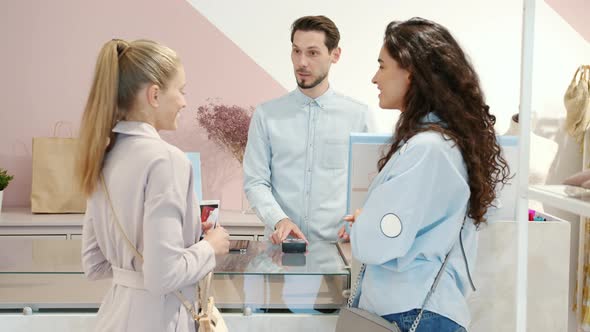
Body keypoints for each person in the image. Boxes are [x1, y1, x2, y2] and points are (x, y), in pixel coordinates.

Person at [345, 18, 510, 331]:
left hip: (410, 313)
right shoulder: (444, 144)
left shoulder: (427, 149)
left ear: (411, 72)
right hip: (421, 310)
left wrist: (364, 222)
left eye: (382, 66)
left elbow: (377, 244)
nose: (374, 78)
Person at [76, 39, 229, 332]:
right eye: (181, 91)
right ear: (155, 95)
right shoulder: (167, 160)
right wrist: (210, 247)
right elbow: (163, 276)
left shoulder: (103, 154)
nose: (184, 101)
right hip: (160, 320)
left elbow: (94, 264)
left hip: (113, 317)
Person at [243, 15, 369, 245]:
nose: (302, 62)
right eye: (296, 51)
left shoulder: (359, 116)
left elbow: (370, 184)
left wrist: (359, 221)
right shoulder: (266, 115)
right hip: (280, 251)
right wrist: (279, 220)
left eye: (312, 53)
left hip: (338, 251)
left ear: (335, 55)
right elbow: (255, 181)